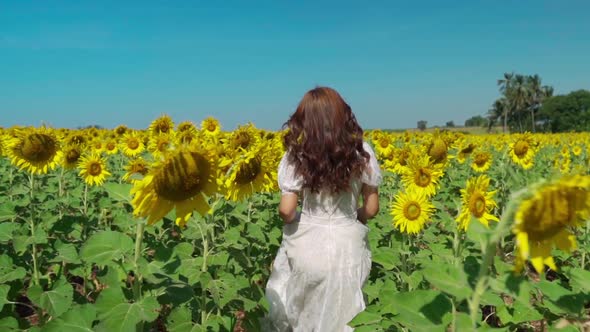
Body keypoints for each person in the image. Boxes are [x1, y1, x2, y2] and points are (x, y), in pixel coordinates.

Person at [264, 87, 382, 331]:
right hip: (348, 245)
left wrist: (302, 219)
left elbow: (286, 211)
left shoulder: (297, 154)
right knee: (344, 316)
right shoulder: (363, 151)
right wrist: (352, 218)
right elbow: (371, 209)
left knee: (302, 313)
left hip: (307, 243)